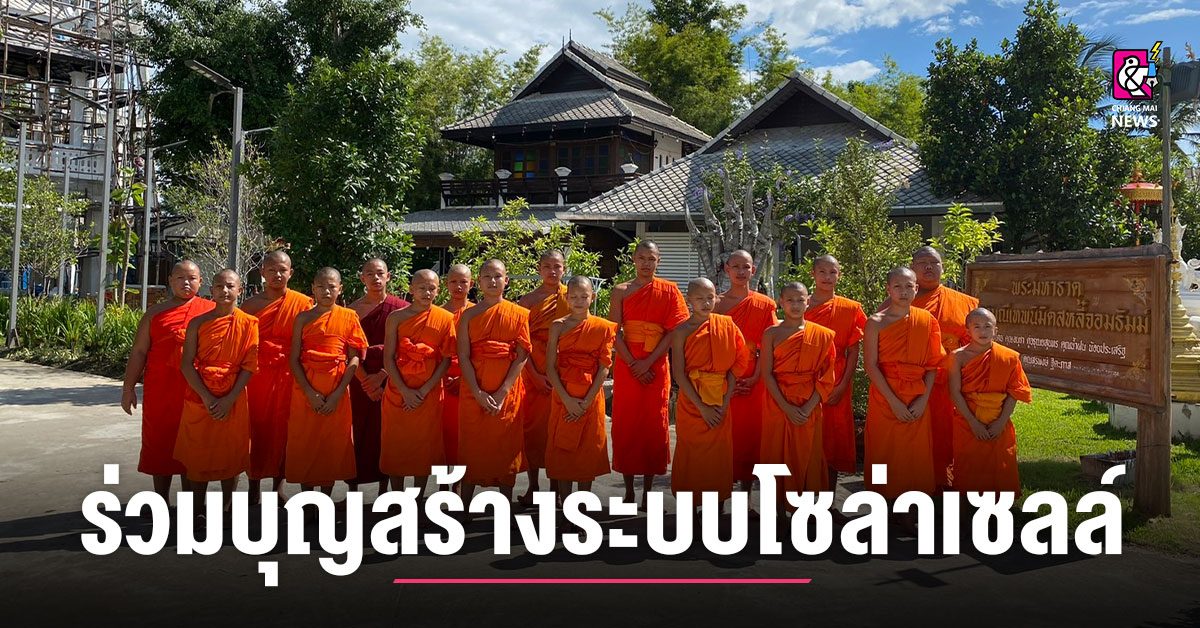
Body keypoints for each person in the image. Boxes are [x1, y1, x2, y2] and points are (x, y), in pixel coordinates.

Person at [121, 260, 215, 500]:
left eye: (192, 278)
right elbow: (139, 352)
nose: (186, 283)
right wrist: (128, 388)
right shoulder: (154, 314)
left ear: (201, 281)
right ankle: (160, 500)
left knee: (194, 445)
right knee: (161, 443)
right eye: (180, 278)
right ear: (170, 281)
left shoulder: (211, 311)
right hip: (161, 390)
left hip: (197, 390)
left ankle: (193, 505)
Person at [609, 240, 689, 508]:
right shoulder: (620, 291)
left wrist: (648, 363)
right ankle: (629, 491)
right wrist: (634, 363)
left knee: (654, 426)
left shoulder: (669, 290)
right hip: (627, 364)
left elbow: (675, 331)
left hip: (656, 364)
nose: (646, 263)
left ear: (658, 261)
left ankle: (647, 492)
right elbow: (613, 332)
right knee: (627, 425)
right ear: (633, 259)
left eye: (651, 259)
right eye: (641, 258)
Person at [863, 267, 946, 514]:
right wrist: (893, 401)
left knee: (914, 454)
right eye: (897, 286)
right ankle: (881, 507)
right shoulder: (875, 323)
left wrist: (923, 400)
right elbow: (870, 365)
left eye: (909, 286)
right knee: (882, 452)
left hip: (917, 396)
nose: (903, 291)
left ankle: (910, 510)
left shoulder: (926, 320)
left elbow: (933, 364)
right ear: (888, 289)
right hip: (885, 396)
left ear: (916, 289)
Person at [176, 269, 258, 510]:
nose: (225, 291)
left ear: (240, 290)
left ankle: (227, 508)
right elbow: (186, 364)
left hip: (233, 396)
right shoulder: (198, 323)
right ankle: (198, 509)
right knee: (199, 453)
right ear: (211, 290)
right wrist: (207, 397)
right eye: (219, 286)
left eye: (230, 286)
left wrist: (229, 399)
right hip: (201, 395)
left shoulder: (249, 323)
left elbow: (249, 366)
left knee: (230, 454)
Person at [670, 277, 750, 510]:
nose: (706, 303)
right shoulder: (681, 331)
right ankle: (690, 510)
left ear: (716, 298)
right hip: (692, 402)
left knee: (718, 456)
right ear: (689, 301)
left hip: (720, 399)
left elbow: (737, 364)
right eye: (699, 298)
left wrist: (725, 401)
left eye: (710, 297)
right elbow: (679, 374)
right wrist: (702, 407)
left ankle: (716, 508)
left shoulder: (727, 325)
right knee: (692, 455)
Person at [286, 268, 368, 493]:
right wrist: (309, 392)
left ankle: (324, 500)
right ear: (313, 289)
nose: (326, 291)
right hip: (306, 390)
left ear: (340, 289)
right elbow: (294, 359)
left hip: (336, 388)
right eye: (321, 287)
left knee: (330, 444)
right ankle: (307, 501)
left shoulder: (349, 316)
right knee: (305, 442)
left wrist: (338, 393)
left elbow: (354, 358)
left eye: (332, 287)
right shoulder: (303, 318)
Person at [456, 259, 531, 503]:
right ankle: (465, 505)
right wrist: (477, 392)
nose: (492, 281)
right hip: (474, 389)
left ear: (506, 280)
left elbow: (522, 355)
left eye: (498, 276)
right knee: (472, 447)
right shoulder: (468, 316)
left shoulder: (519, 314)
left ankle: (505, 505)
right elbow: (463, 355)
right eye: (487, 277)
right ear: (479, 282)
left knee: (505, 447)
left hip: (506, 391)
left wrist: (502, 392)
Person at [241, 250, 312, 504]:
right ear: (262, 273)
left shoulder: (303, 303)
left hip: (289, 373)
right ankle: (253, 484)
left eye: (282, 270)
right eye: (271, 270)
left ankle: (277, 487)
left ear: (291, 273)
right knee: (256, 428)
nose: (277, 275)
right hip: (257, 376)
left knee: (285, 429)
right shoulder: (250, 306)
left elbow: (308, 340)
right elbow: (243, 343)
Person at [760, 282, 837, 505]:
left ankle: (805, 509)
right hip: (777, 403)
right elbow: (767, 373)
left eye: (800, 300)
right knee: (776, 454)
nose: (795, 305)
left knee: (808, 455)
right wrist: (786, 407)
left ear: (808, 301)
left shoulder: (822, 335)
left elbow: (827, 376)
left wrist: (808, 406)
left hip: (809, 403)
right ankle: (779, 513)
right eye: (790, 300)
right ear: (781, 302)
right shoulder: (771, 333)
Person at [380, 270, 454, 498]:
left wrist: (423, 390)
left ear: (438, 291)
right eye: (422, 288)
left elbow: (445, 359)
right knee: (396, 446)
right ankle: (398, 497)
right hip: (398, 391)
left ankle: (418, 498)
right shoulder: (396, 318)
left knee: (424, 448)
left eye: (432, 288)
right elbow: (388, 358)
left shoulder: (445, 318)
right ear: (411, 289)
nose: (427, 292)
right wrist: (404, 390)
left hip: (428, 392)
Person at [910, 246, 978, 489]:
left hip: (952, 380)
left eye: (934, 262)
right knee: (914, 434)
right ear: (912, 268)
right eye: (922, 263)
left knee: (949, 432)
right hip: (912, 381)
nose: (929, 267)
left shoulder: (964, 302)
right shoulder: (899, 301)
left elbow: (975, 344)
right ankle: (914, 483)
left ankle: (948, 481)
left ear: (943, 267)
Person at [545, 276, 616, 503]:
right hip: (563, 395)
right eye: (574, 297)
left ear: (592, 297)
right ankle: (566, 505)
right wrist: (566, 399)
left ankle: (582, 506)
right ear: (567, 298)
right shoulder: (558, 326)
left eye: (584, 296)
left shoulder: (602, 327)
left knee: (587, 452)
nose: (578, 301)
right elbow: (550, 367)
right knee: (563, 451)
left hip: (591, 397)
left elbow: (604, 368)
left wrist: (586, 401)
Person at [947, 308, 1032, 495]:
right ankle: (966, 508)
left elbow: (1015, 392)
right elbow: (954, 392)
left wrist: (1001, 422)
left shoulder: (1008, 357)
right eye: (976, 327)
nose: (982, 331)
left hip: (998, 420)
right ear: (968, 331)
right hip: (967, 421)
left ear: (995, 330)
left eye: (987, 326)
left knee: (1000, 464)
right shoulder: (958, 357)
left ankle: (999, 508)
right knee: (968, 466)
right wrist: (973, 422)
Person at [714, 250, 778, 493]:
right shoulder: (716, 304)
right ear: (727, 269)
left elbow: (769, 346)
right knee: (722, 435)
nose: (741, 272)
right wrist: (723, 378)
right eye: (736, 267)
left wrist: (755, 377)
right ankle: (719, 499)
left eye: (746, 267)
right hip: (721, 377)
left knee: (751, 437)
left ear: (753, 270)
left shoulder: (764, 304)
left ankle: (746, 498)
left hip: (754, 376)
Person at [347, 258, 409, 497]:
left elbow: (406, 349)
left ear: (388, 276)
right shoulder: (351, 311)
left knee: (387, 434)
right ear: (362, 278)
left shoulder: (402, 309)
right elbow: (348, 350)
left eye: (380, 273)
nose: (375, 278)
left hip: (392, 378)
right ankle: (352, 492)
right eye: (370, 274)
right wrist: (366, 381)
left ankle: (387, 492)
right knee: (357, 433)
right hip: (358, 379)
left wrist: (382, 375)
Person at [803, 255, 867, 487]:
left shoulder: (849, 308)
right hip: (804, 378)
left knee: (832, 438)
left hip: (837, 377)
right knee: (806, 437)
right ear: (813, 274)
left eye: (833, 272)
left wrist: (843, 385)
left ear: (839, 275)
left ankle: (828, 501)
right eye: (822, 271)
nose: (827, 277)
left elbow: (853, 350)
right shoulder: (800, 304)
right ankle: (801, 499)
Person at [517, 250, 570, 505]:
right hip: (533, 370)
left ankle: (557, 489)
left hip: (563, 370)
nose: (552, 271)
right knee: (534, 432)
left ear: (564, 269)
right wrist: (535, 375)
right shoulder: (527, 301)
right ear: (539, 269)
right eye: (547, 266)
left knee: (558, 431)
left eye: (557, 266)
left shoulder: (572, 297)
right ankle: (533, 486)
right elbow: (520, 344)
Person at [441, 264, 474, 470]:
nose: (458, 286)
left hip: (471, 381)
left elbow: (480, 352)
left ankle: (460, 484)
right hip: (441, 381)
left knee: (465, 435)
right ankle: (444, 485)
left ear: (471, 284)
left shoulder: (477, 313)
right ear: (446, 284)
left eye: (463, 282)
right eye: (453, 281)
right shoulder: (437, 313)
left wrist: (464, 379)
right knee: (444, 435)